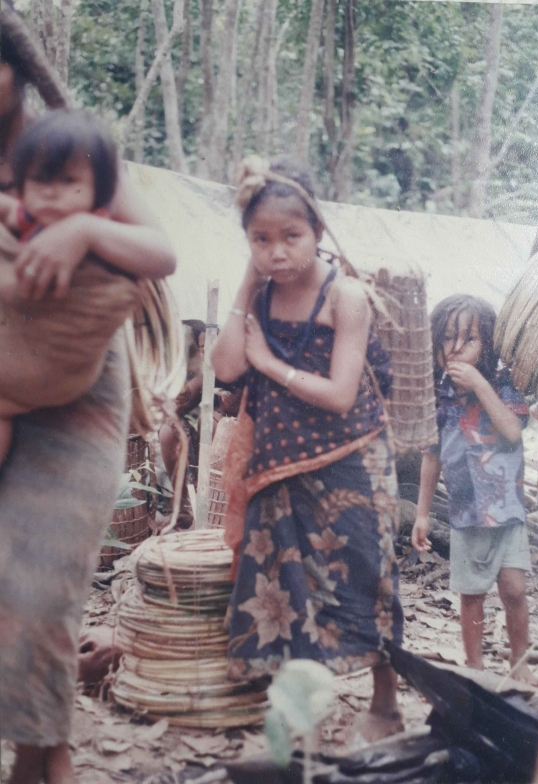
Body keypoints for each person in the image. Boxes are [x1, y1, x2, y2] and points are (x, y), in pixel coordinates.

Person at [0, 7, 176, 783]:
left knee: (42, 585)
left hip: (79, 390)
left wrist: (82, 233)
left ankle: (43, 755)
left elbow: (160, 250)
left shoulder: (61, 148)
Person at [212, 157, 403, 742]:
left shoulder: (346, 296)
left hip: (352, 459)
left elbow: (342, 395)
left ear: (317, 230)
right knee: (282, 584)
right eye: (260, 239)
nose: (276, 252)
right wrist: (246, 284)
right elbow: (224, 366)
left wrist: (269, 363)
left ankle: (386, 704)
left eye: (290, 236)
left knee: (368, 579)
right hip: (279, 464)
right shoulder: (261, 297)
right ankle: (291, 709)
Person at [0, 109, 154, 466]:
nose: (53, 193)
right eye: (41, 181)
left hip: (60, 367)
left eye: (70, 182)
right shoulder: (26, 216)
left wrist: (86, 231)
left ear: (100, 191)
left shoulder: (104, 226)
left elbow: (161, 260)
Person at [412, 295, 538, 685]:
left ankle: (521, 666)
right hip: (466, 515)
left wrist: (481, 384)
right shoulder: (437, 400)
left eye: (470, 339)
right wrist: (420, 513)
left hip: (507, 510)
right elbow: (431, 458)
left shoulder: (503, 385)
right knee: (472, 596)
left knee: (515, 590)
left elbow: (513, 430)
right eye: (448, 337)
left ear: (488, 346)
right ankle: (475, 669)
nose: (456, 348)